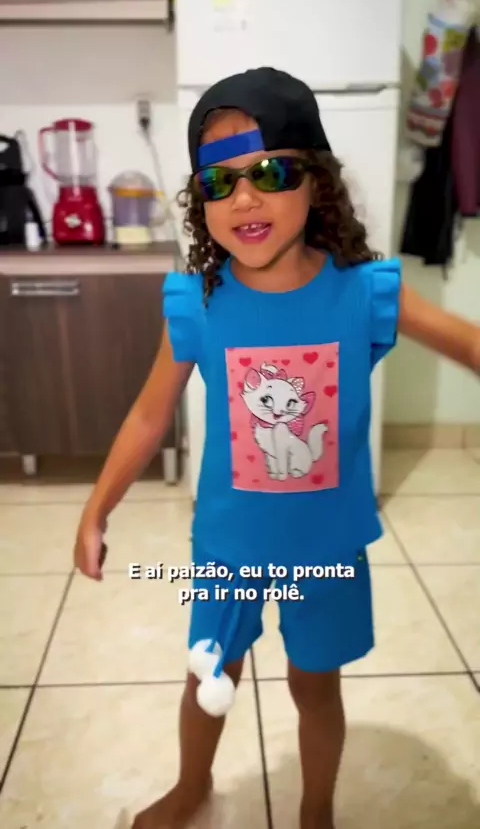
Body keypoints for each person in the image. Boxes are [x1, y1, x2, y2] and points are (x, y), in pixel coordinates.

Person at [74, 68, 480, 829]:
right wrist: (97, 508)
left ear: (316, 181)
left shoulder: (367, 292)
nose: (244, 199)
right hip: (228, 546)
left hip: (327, 547)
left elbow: (468, 342)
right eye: (218, 183)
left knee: (316, 687)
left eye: (269, 172)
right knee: (207, 677)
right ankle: (192, 787)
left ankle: (315, 811)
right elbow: (149, 415)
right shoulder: (197, 302)